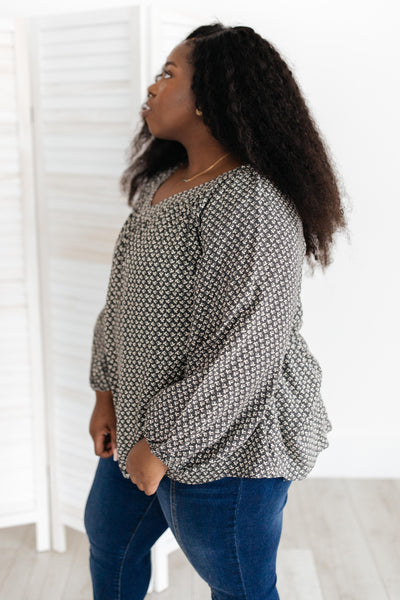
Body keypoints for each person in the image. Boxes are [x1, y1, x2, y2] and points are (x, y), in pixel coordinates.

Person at [84, 22, 347, 600]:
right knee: (110, 547)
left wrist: (163, 446)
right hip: (138, 422)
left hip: (230, 443)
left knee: (241, 588)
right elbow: (120, 300)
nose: (152, 87)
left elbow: (247, 349)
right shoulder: (161, 185)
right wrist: (105, 393)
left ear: (211, 98)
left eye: (168, 74)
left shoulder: (251, 201)